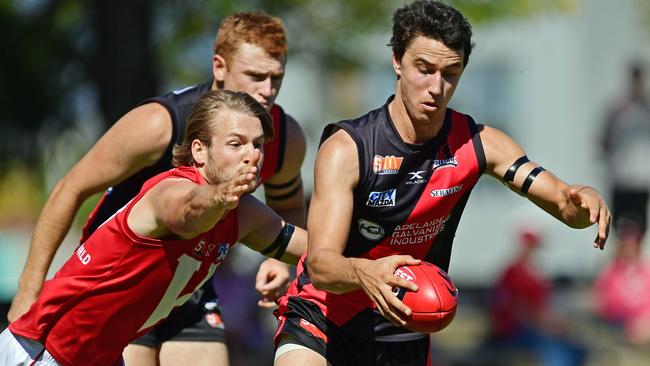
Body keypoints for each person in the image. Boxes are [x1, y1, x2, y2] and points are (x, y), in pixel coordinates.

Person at [272, 1, 612, 365]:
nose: (436, 87)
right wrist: (365, 272)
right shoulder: (349, 148)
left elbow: (566, 206)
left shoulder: (479, 144)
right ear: (397, 61)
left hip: (404, 327)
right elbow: (322, 266)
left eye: (450, 73)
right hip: (323, 318)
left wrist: (584, 201)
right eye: (424, 69)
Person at [7, 11, 306, 366]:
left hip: (188, 282)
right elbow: (69, 189)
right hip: (120, 284)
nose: (267, 91)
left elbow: (289, 210)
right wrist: (29, 287)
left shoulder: (282, 137)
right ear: (219, 67)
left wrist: (280, 263)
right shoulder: (159, 124)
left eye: (277, 78)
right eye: (256, 76)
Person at [488, 227, 586, 366]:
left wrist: (554, 323)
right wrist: (546, 325)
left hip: (530, 326)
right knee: (556, 351)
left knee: (578, 348)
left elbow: (539, 307)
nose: (534, 251)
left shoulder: (530, 272)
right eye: (531, 246)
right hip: (515, 329)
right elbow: (519, 310)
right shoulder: (514, 273)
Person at [600, 62, 650, 235]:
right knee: (618, 224)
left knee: (640, 224)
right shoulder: (618, 110)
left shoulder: (646, 108)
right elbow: (603, 139)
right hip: (621, 176)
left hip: (642, 178)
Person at [594, 218, 650, 344]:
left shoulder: (646, 271)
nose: (629, 248)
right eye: (625, 243)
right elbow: (605, 305)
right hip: (618, 327)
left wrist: (644, 321)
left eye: (633, 243)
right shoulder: (609, 273)